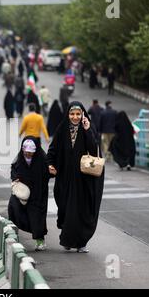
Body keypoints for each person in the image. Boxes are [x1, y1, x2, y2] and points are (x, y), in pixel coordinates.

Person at [46, 101, 104, 253]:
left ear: (83, 114)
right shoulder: (62, 129)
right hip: (65, 178)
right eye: (72, 114)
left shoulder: (88, 128)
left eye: (78, 114)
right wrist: (50, 164)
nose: (75, 117)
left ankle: (80, 242)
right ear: (68, 114)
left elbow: (93, 149)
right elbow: (52, 149)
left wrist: (87, 130)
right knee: (65, 207)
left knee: (81, 210)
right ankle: (68, 237)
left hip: (83, 179)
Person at [8, 137, 50, 251]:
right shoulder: (20, 158)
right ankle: (13, 234)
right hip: (22, 192)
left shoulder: (42, 158)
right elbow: (14, 169)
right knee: (14, 208)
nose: (28, 155)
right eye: (26, 152)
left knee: (37, 218)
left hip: (38, 193)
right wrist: (15, 178)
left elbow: (49, 172)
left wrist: (51, 172)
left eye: (31, 153)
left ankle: (40, 241)